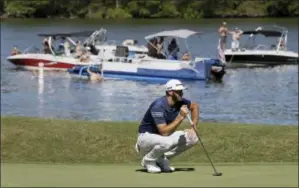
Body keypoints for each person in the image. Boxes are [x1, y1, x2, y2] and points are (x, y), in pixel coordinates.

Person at [135, 79, 199, 173]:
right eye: (178, 91)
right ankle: (148, 160)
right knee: (167, 141)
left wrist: (194, 126)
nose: (181, 93)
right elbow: (164, 132)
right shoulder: (158, 106)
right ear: (170, 92)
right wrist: (180, 117)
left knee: (193, 138)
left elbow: (194, 106)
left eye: (181, 91)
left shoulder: (179, 101)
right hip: (145, 138)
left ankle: (159, 158)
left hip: (162, 138)